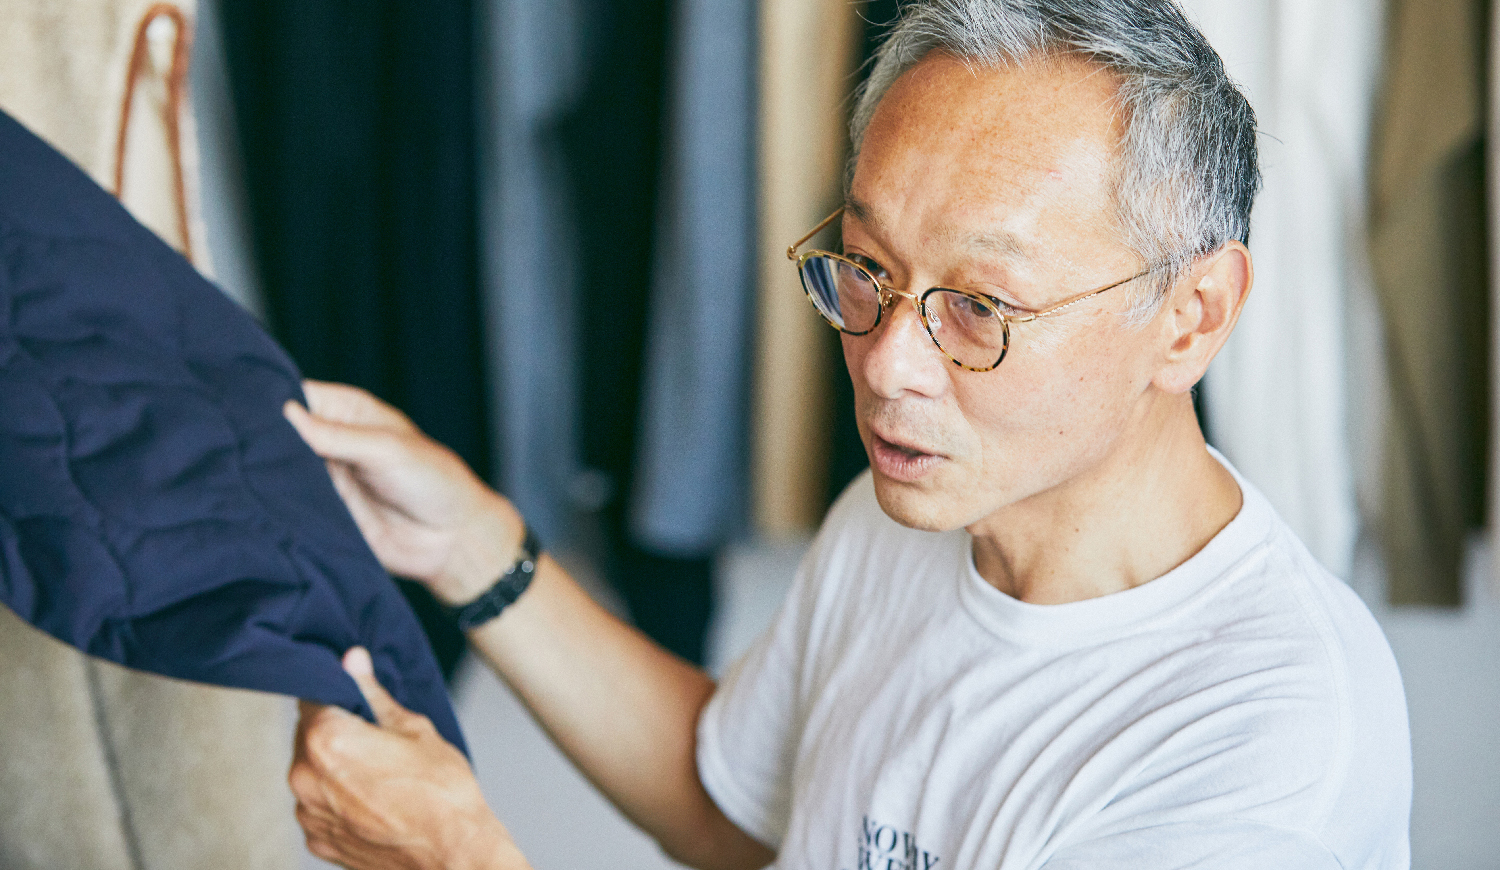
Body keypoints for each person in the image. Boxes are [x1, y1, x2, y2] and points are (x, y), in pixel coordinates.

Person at [284, 0, 1413, 867]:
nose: (885, 363)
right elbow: (736, 806)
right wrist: (471, 543)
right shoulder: (913, 514)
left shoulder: (1266, 752)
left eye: (980, 306)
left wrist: (459, 856)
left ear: (1192, 317)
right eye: (867, 268)